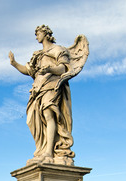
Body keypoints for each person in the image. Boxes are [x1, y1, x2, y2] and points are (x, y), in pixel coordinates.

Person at [9, 25, 89, 165]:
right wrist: (14, 63)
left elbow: (64, 68)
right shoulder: (38, 55)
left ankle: (49, 152)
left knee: (48, 114)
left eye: (38, 33)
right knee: (33, 119)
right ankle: (43, 149)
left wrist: (50, 68)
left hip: (52, 85)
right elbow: (29, 71)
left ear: (46, 34)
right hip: (38, 88)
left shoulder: (57, 50)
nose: (36, 37)